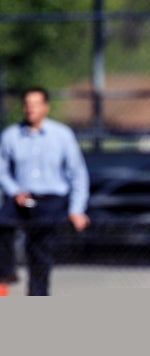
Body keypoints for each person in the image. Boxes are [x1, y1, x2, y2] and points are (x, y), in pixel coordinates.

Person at [0, 86, 90, 296]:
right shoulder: (11, 136)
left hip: (51, 200)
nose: (31, 109)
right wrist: (15, 191)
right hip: (20, 198)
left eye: (36, 104)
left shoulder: (62, 135)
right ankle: (6, 272)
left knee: (40, 252)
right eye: (27, 104)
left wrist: (77, 209)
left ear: (45, 107)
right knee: (2, 224)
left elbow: (78, 174)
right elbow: (2, 170)